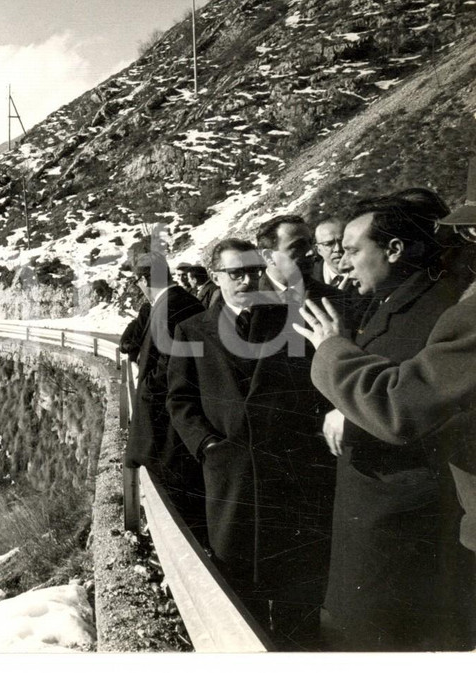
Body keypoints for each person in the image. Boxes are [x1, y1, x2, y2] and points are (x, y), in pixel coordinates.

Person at [294, 180, 476, 648]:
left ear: (394, 249)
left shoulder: (450, 311)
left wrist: (334, 355)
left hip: (400, 515)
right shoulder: (404, 301)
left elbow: (402, 406)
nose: (341, 261)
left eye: (471, 234)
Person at [166, 238, 335, 650]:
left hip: (289, 472)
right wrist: (206, 446)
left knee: (296, 583)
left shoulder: (290, 320)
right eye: (235, 273)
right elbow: (179, 398)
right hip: (231, 476)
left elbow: (312, 387)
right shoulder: (192, 330)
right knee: (239, 581)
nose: (246, 280)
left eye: (253, 272)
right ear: (216, 278)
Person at [123, 251, 207, 538]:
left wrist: (147, 388)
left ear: (145, 279)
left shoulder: (172, 305)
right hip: (167, 419)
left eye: (137, 281)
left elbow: (173, 369)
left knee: (180, 496)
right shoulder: (174, 302)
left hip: (169, 425)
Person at [256, 213, 362, 330]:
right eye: (298, 246)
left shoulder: (337, 299)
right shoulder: (245, 304)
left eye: (309, 243)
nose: (311, 252)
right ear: (269, 257)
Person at [312, 216, 353, 289]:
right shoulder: (310, 280)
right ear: (318, 250)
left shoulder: (368, 272)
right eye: (329, 244)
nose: (338, 248)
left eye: (342, 241)